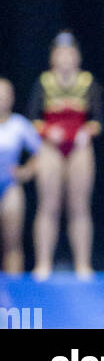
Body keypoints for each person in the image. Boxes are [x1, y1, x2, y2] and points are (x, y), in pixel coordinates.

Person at [28, 33, 102, 279]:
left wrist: (86, 132)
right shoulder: (44, 81)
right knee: (48, 205)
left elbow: (99, 121)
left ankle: (83, 263)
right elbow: (33, 119)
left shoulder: (88, 82)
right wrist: (49, 132)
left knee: (79, 207)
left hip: (79, 147)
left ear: (77, 57)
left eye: (70, 55)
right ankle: (43, 263)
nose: (66, 60)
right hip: (51, 147)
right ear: (52, 57)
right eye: (61, 55)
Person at [0, 79, 42, 274]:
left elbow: (41, 152)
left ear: (12, 98)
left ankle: (14, 291)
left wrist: (26, 171)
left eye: (5, 95)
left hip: (9, 186)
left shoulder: (19, 124)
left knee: (13, 243)